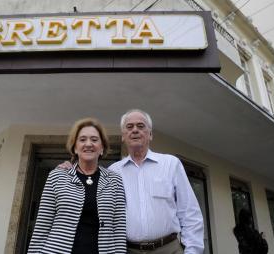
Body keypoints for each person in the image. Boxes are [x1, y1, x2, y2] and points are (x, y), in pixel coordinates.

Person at [59, 109, 204, 254]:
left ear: (150, 134)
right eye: (129, 127)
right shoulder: (112, 172)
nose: (135, 130)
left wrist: (193, 251)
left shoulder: (171, 164)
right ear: (123, 136)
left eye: (141, 126)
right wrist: (73, 171)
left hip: (169, 249)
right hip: (128, 250)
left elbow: (189, 213)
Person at [27, 118, 126, 254]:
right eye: (82, 139)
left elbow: (118, 229)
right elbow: (42, 225)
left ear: (102, 148)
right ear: (75, 147)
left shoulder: (115, 180)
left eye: (94, 139)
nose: (88, 144)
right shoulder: (57, 176)